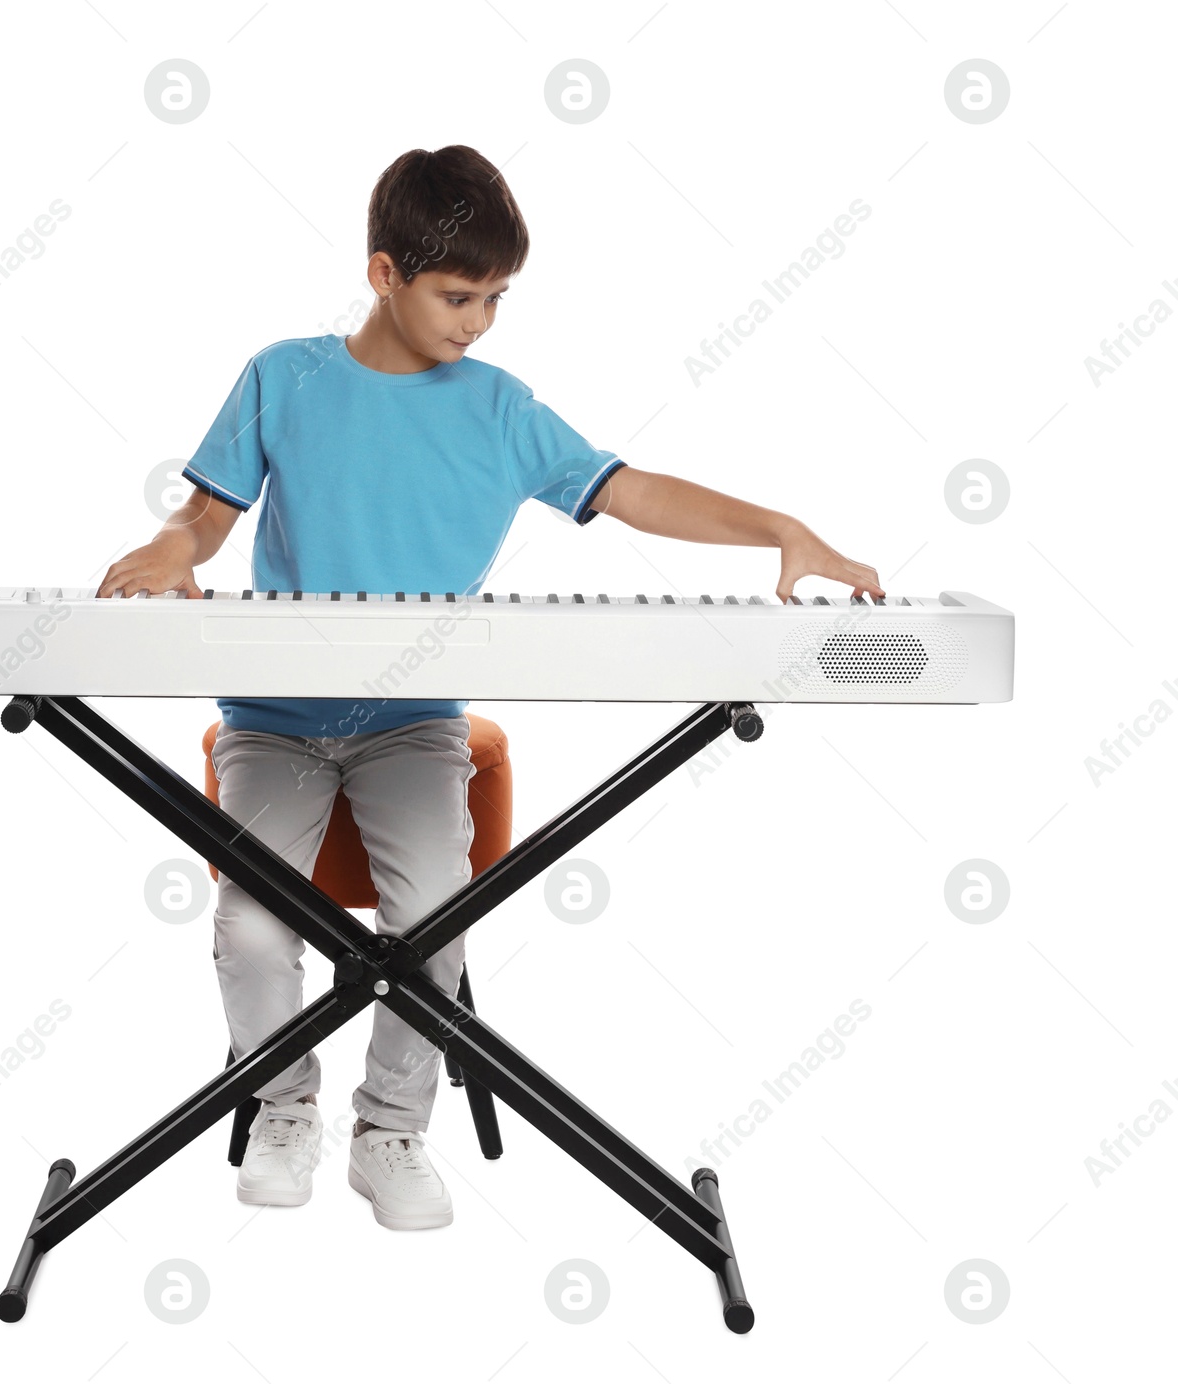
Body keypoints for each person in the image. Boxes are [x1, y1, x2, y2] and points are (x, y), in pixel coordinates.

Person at [97, 144, 882, 1231]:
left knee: (431, 921)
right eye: (457, 294)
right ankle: (281, 1105)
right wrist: (171, 544)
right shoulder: (285, 375)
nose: (478, 320)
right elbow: (204, 515)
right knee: (255, 928)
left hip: (414, 727)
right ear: (383, 275)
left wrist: (780, 531)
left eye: (497, 298)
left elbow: (634, 488)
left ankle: (390, 1130)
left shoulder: (501, 409)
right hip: (271, 724)